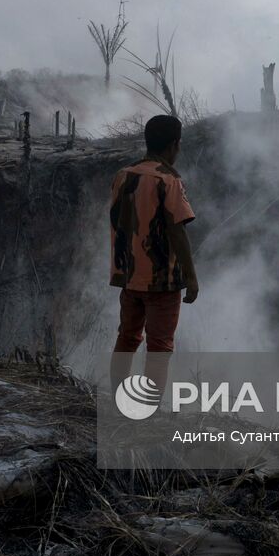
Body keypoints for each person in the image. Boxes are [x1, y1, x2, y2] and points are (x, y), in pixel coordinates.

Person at [109, 115, 198, 392]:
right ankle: (148, 410)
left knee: (127, 337)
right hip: (161, 279)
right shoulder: (168, 179)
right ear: (174, 145)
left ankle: (118, 398)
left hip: (129, 275)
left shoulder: (124, 175)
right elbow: (177, 231)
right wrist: (191, 277)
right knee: (159, 346)